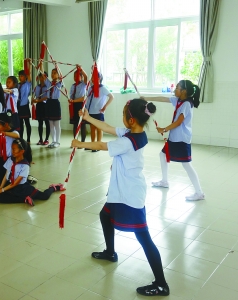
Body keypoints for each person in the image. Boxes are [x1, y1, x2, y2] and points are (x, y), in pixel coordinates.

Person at [71, 99, 170, 297]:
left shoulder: (127, 141)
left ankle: (161, 284)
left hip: (129, 194)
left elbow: (101, 144)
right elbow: (107, 127)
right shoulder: (135, 133)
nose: (122, 118)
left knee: (144, 238)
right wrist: (88, 117)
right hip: (121, 190)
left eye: (124, 115)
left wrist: (79, 143)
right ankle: (110, 252)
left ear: (131, 120)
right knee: (104, 215)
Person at [142, 80, 204, 201]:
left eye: (177, 88)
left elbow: (179, 122)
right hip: (175, 137)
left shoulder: (186, 104)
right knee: (163, 155)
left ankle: (199, 192)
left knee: (186, 165)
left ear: (184, 91)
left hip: (181, 139)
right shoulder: (179, 100)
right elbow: (163, 98)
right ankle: (165, 181)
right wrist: (146, 98)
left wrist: (164, 129)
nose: (175, 89)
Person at [0, 138, 65, 206]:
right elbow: (6, 176)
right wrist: (0, 188)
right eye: (12, 149)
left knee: (44, 196)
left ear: (22, 151)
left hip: (22, 188)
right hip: (11, 187)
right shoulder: (10, 160)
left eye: (14, 149)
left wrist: (2, 190)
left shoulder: (25, 165)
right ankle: (24, 199)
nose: (12, 151)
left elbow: (16, 183)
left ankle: (54, 187)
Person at [85, 72, 114, 152]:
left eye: (93, 77)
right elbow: (87, 98)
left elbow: (111, 97)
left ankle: (98, 145)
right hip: (91, 111)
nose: (92, 79)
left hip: (98, 112)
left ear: (98, 79)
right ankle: (92, 145)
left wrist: (105, 106)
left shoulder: (103, 88)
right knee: (92, 129)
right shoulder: (91, 88)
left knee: (99, 129)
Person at [0, 111, 20, 185]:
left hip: (10, 159)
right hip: (2, 157)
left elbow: (16, 136)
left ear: (6, 124)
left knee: (7, 175)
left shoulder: (13, 132)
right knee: (0, 172)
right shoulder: (1, 132)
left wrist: (4, 133)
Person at [41, 62, 62, 148]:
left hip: (55, 103)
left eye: (54, 73)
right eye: (52, 73)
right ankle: (53, 141)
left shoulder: (60, 83)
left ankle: (58, 141)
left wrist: (57, 66)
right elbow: (42, 74)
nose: (52, 75)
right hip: (49, 103)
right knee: (51, 124)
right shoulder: (49, 83)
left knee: (57, 124)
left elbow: (61, 75)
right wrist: (41, 63)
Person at [69, 67, 88, 144]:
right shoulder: (73, 86)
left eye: (77, 76)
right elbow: (71, 95)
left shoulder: (83, 84)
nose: (75, 78)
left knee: (82, 124)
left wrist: (81, 69)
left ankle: (82, 142)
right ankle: (75, 141)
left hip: (81, 105)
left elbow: (86, 77)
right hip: (74, 105)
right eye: (74, 76)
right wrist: (70, 100)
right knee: (75, 124)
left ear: (81, 77)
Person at [31, 71, 50, 145]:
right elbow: (34, 95)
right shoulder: (37, 87)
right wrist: (33, 100)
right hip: (39, 106)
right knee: (40, 123)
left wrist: (38, 100)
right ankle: (40, 139)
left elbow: (47, 97)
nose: (41, 78)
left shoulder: (48, 87)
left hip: (46, 105)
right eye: (40, 77)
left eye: (43, 77)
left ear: (46, 78)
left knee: (47, 122)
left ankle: (47, 139)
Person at [17, 62, 32, 144]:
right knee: (20, 124)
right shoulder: (18, 85)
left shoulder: (27, 84)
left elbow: (29, 74)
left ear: (25, 77)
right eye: (19, 76)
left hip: (24, 105)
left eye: (22, 76)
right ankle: (21, 139)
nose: (20, 77)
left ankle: (28, 139)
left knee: (27, 123)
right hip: (18, 105)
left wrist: (28, 64)